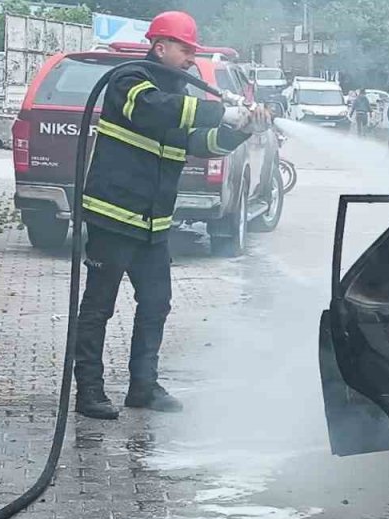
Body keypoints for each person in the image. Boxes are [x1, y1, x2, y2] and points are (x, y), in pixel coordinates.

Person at [73, 10, 268, 420]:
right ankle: (89, 391)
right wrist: (219, 110)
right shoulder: (129, 82)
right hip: (113, 217)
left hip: (154, 223)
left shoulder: (180, 96)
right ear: (159, 47)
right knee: (98, 307)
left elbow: (205, 143)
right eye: (185, 49)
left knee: (156, 304)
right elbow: (156, 110)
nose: (190, 58)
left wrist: (241, 128)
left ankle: (142, 386)